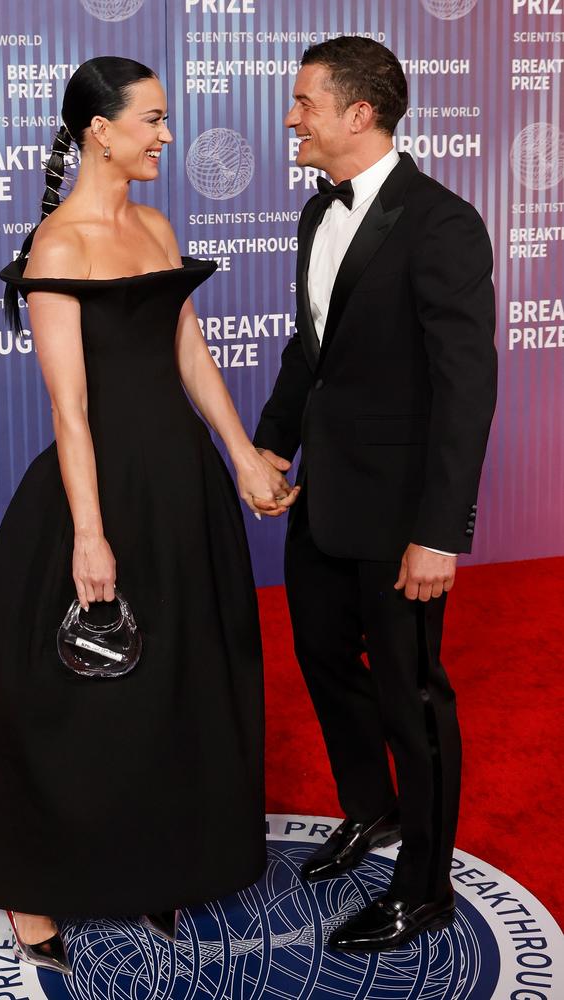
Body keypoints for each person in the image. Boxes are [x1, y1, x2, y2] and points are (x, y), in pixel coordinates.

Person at [0, 56, 296, 974]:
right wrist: (89, 533)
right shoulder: (58, 248)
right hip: (97, 488)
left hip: (180, 484)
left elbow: (187, 347)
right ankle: (30, 886)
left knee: (174, 679)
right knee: (64, 686)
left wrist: (242, 453)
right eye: (151, 120)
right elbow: (71, 409)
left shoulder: (156, 224)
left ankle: (152, 864)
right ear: (99, 129)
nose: (165, 136)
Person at [254, 36, 497, 952]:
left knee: (412, 695)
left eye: (305, 102)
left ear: (360, 114)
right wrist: (273, 443)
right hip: (324, 497)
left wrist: (441, 532)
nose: (291, 119)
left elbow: (467, 389)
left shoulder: (444, 224)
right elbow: (310, 350)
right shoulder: (319, 216)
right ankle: (372, 810)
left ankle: (425, 885)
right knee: (321, 655)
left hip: (401, 516)